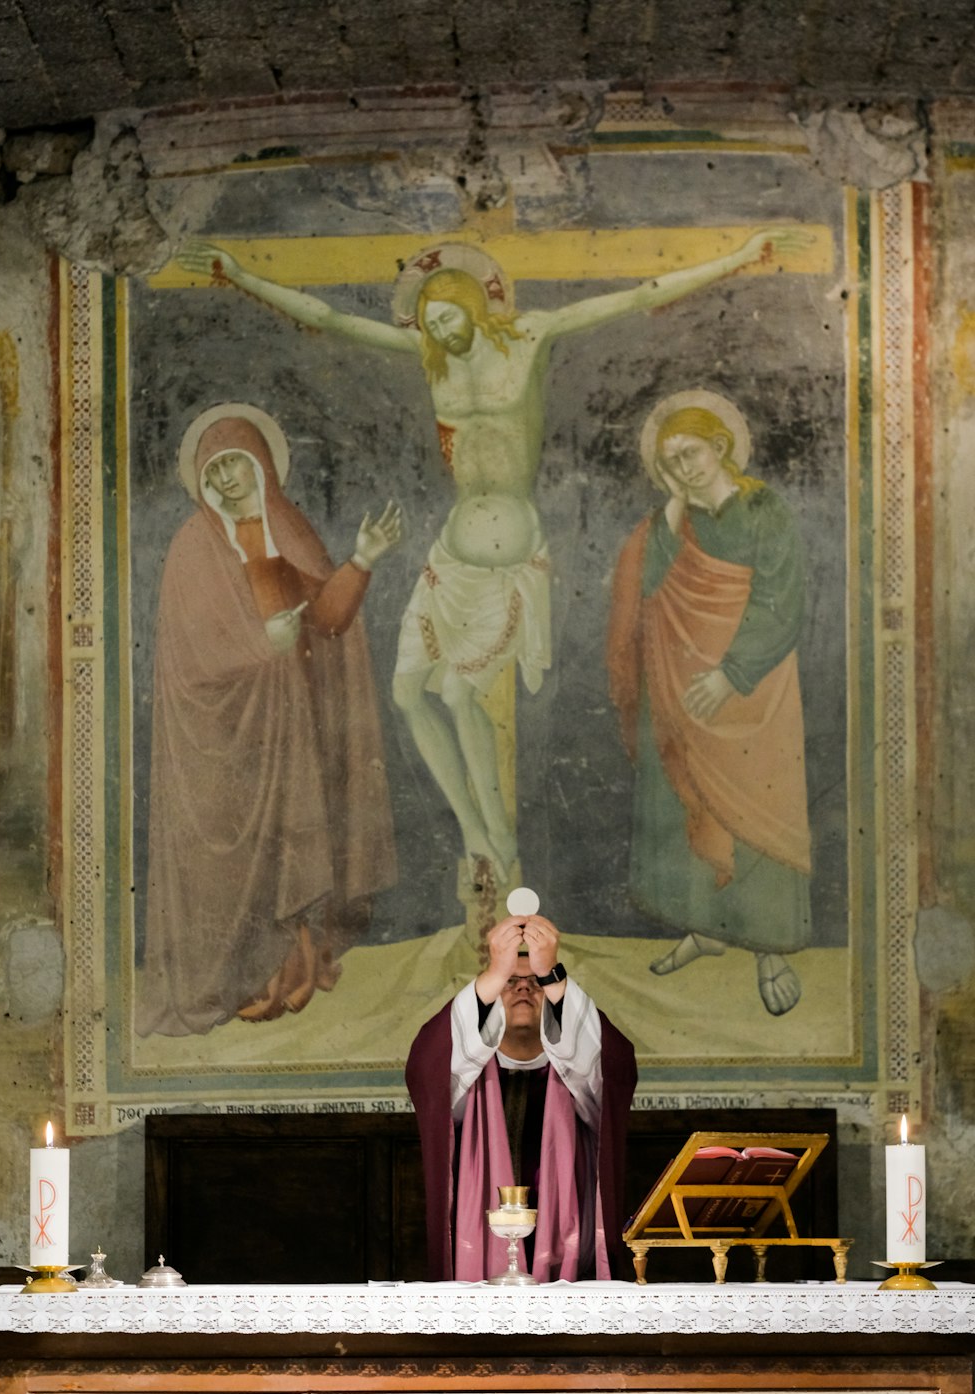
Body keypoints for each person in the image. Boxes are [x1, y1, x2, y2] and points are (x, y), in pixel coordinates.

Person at [177, 228, 812, 886]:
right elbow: (331, 318)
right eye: (430, 323)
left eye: (448, 315)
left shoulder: (530, 336)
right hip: (451, 553)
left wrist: (737, 257)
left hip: (507, 555)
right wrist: (242, 275)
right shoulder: (431, 355)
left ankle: (502, 840)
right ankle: (475, 831)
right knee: (406, 694)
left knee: (455, 690)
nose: (442, 330)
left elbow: (635, 296)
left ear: (472, 307)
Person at [136, 403, 402, 1036]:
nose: (230, 483)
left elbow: (328, 623)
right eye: (217, 473)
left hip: (292, 730)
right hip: (223, 739)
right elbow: (189, 659)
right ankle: (227, 979)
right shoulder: (190, 548)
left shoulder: (288, 529)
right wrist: (263, 650)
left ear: (264, 469)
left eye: (239, 468)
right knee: (229, 865)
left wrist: (360, 562)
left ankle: (284, 976)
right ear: (202, 481)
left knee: (292, 849)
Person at [606, 391, 812, 1016]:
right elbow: (646, 597)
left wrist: (733, 673)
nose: (682, 470)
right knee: (685, 799)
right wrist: (670, 517)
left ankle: (769, 947)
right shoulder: (673, 522)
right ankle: (704, 927)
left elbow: (783, 601)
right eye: (669, 464)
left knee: (757, 809)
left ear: (720, 446)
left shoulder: (762, 510)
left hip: (754, 694)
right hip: (680, 689)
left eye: (689, 454)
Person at [405, 912, 638, 1282]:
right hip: (478, 1250)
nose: (524, 989)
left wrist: (554, 973)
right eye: (511, 982)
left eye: (536, 982)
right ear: (492, 997)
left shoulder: (574, 1070)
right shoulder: (468, 1074)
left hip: (568, 1252)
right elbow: (425, 1067)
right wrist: (493, 973)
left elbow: (615, 1067)